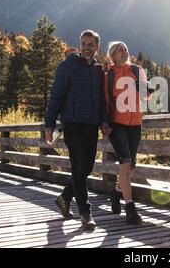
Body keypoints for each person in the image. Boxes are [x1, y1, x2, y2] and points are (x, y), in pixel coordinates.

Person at [45, 29, 112, 231]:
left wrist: (104, 121)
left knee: (87, 167)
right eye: (84, 43)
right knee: (78, 167)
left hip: (91, 125)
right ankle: (86, 214)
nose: (87, 48)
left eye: (91, 44)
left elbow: (102, 101)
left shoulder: (99, 71)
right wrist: (49, 124)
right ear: (80, 44)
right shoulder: (66, 67)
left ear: (97, 47)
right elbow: (55, 97)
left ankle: (65, 197)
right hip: (72, 123)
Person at [104, 41, 153, 225]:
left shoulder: (136, 69)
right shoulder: (108, 75)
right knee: (125, 161)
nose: (124, 52)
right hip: (117, 125)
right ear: (113, 55)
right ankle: (130, 207)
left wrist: (148, 88)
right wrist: (104, 122)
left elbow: (145, 95)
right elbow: (106, 101)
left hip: (135, 124)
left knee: (130, 166)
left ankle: (117, 191)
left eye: (125, 50)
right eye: (120, 50)